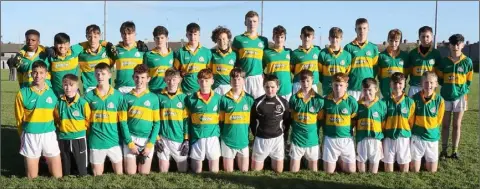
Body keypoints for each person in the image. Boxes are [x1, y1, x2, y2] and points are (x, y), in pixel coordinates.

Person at [15, 60, 62, 179]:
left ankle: (46, 162)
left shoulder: (53, 93)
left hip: (49, 134)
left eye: (41, 73)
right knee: (32, 177)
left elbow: (57, 116)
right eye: (35, 72)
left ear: (46, 74)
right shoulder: (22, 93)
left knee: (58, 175)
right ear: (31, 74)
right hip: (31, 135)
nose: (38, 76)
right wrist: (22, 135)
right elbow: (19, 118)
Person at [84, 62, 128, 176]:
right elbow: (85, 120)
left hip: (114, 141)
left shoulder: (118, 96)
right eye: (97, 74)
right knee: (97, 175)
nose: (100, 77)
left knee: (119, 174)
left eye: (103, 74)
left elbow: (123, 121)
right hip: (96, 141)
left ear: (109, 75)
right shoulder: (88, 96)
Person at [438, 34, 473, 160]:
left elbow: (469, 80)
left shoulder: (467, 61)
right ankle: (443, 150)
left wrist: (461, 91)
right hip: (446, 96)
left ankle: (455, 151)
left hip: (460, 97)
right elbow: (441, 80)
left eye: (458, 44)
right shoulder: (444, 62)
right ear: (449, 46)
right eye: (453, 44)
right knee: (445, 124)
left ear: (463, 45)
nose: (455, 46)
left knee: (457, 125)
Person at [122, 64, 160, 175]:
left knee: (144, 173)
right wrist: (130, 143)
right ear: (133, 77)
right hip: (131, 139)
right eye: (137, 77)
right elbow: (123, 122)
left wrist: (149, 145)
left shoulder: (153, 98)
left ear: (148, 79)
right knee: (130, 173)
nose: (139, 80)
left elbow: (157, 123)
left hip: (146, 140)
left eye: (143, 77)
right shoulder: (126, 97)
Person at [250, 74, 290, 173]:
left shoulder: (283, 102)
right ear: (263, 87)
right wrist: (257, 134)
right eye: (267, 87)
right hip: (261, 139)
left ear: (278, 87)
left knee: (278, 170)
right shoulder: (257, 102)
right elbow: (252, 121)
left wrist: (282, 134)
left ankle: (272, 158)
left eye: (272, 87)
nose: (270, 90)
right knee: (255, 170)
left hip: (277, 140)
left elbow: (287, 121)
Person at [53, 74, 91, 176]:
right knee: (66, 172)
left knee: (82, 172)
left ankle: (82, 169)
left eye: (71, 85)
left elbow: (88, 120)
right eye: (65, 85)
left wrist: (82, 130)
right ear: (62, 85)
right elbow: (56, 119)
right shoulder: (59, 103)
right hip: (64, 137)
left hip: (78, 137)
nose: (68, 88)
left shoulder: (83, 103)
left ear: (77, 86)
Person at [185, 68, 222, 173]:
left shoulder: (219, 98)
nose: (204, 83)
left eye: (206, 80)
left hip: (213, 136)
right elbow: (187, 119)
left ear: (212, 81)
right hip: (197, 136)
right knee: (197, 171)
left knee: (214, 170)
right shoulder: (191, 98)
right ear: (197, 81)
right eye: (201, 80)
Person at [219, 68, 255, 172]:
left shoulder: (249, 99)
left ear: (244, 81)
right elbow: (220, 122)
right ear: (230, 81)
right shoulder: (223, 99)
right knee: (228, 171)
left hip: (243, 140)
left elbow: (252, 121)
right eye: (233, 79)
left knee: (244, 170)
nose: (236, 82)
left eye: (239, 79)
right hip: (227, 140)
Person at [321, 72, 357, 174]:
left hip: (346, 139)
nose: (338, 88)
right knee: (329, 171)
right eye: (335, 85)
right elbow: (323, 119)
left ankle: (341, 159)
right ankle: (334, 159)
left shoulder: (351, 101)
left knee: (351, 170)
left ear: (346, 86)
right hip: (330, 139)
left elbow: (354, 120)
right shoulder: (326, 100)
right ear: (332, 85)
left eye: (341, 85)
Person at [288, 70, 323, 172]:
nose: (306, 84)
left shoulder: (319, 100)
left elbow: (320, 121)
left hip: (312, 139)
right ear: (300, 82)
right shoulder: (294, 98)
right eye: (303, 81)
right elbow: (291, 118)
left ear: (313, 80)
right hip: (297, 138)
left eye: (308, 81)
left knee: (314, 171)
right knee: (293, 171)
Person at [410, 71, 445, 173]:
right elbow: (411, 118)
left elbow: (439, 120)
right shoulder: (414, 98)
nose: (428, 85)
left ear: (436, 84)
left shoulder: (439, 100)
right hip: (418, 136)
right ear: (421, 83)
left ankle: (426, 160)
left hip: (432, 137)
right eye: (425, 82)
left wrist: (430, 128)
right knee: (414, 170)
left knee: (432, 171)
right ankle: (420, 160)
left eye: (431, 82)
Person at [156, 68, 189, 173]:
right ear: (165, 80)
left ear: (179, 80)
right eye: (169, 79)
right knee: (163, 171)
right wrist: (157, 138)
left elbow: (186, 121)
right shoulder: (159, 97)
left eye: (174, 79)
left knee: (183, 170)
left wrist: (186, 139)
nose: (171, 82)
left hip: (178, 138)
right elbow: (155, 120)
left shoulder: (184, 98)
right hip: (163, 137)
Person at [382, 72, 415, 172]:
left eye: (400, 83)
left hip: (403, 137)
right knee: (388, 170)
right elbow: (382, 121)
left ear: (404, 84)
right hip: (389, 137)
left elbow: (411, 122)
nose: (397, 86)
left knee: (404, 170)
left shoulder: (410, 102)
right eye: (395, 83)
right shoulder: (384, 101)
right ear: (390, 84)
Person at [232, 10, 269, 99]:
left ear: (258, 22)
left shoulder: (263, 40)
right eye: (249, 21)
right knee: (244, 103)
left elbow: (265, 60)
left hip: (258, 77)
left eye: (254, 21)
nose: (252, 24)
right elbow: (234, 60)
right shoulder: (238, 39)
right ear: (245, 22)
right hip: (243, 77)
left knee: (258, 104)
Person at [354, 78, 386, 174]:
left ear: (376, 89)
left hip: (375, 139)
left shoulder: (381, 105)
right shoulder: (357, 105)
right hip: (362, 138)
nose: (367, 93)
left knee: (374, 165)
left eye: (370, 90)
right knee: (361, 164)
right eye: (365, 90)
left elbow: (383, 122)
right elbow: (354, 122)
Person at [107, 21, 149, 94]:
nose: (126, 36)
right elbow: (107, 67)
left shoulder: (141, 49)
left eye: (129, 34)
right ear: (121, 34)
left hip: (137, 88)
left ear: (135, 34)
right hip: (120, 89)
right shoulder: (115, 49)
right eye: (124, 34)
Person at [343, 18, 379, 101]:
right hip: (353, 88)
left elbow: (375, 69)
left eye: (364, 28)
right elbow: (346, 69)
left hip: (368, 88)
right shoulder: (348, 47)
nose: (362, 31)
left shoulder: (373, 48)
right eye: (359, 28)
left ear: (368, 29)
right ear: (355, 30)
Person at [173, 23, 212, 95]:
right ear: (186, 35)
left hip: (203, 90)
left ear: (199, 34)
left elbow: (210, 72)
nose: (192, 37)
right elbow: (175, 71)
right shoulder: (180, 52)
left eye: (195, 34)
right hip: (186, 91)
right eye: (190, 34)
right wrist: (181, 73)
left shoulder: (207, 52)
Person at [407, 26, 442, 97]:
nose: (425, 39)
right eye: (423, 36)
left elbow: (438, 72)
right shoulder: (412, 53)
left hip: (430, 87)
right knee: (413, 107)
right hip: (415, 87)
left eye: (427, 36)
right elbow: (408, 71)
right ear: (419, 37)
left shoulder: (436, 53)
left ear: (432, 37)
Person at [78, 24, 113, 93]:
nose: (92, 40)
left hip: (106, 88)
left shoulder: (107, 50)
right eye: (89, 37)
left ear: (100, 36)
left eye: (95, 37)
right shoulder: (81, 52)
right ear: (86, 37)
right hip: (89, 89)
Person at [318, 27, 352, 96]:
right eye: (332, 37)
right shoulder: (323, 53)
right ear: (329, 38)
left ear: (341, 38)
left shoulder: (347, 55)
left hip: (341, 91)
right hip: (327, 90)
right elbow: (320, 74)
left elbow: (347, 74)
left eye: (337, 37)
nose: (334, 40)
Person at [263, 25, 293, 101]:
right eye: (277, 37)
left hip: (287, 91)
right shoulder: (266, 53)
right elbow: (260, 69)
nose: (279, 40)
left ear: (285, 38)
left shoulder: (289, 52)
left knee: (288, 113)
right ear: (273, 38)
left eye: (282, 37)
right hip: (273, 92)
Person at [377, 29, 409, 98]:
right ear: (388, 40)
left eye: (396, 41)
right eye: (391, 41)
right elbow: (379, 76)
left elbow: (406, 75)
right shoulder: (381, 56)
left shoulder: (405, 56)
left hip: (399, 93)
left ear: (400, 41)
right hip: (385, 92)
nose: (393, 44)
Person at [290, 26, 321, 95]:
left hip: (313, 84)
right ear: (301, 37)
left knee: (313, 105)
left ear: (313, 37)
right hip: (299, 84)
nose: (307, 39)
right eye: (304, 36)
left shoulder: (317, 50)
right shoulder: (295, 53)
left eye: (309, 36)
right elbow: (291, 70)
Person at [144, 26, 174, 93]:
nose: (160, 40)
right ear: (154, 39)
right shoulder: (148, 55)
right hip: (153, 91)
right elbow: (144, 75)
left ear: (167, 39)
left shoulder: (173, 54)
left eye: (162, 38)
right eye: (157, 38)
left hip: (168, 91)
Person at [210, 26, 236, 95]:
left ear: (228, 39)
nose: (222, 41)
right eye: (219, 39)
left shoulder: (234, 55)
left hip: (229, 88)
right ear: (215, 40)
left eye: (224, 39)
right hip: (215, 88)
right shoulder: (211, 53)